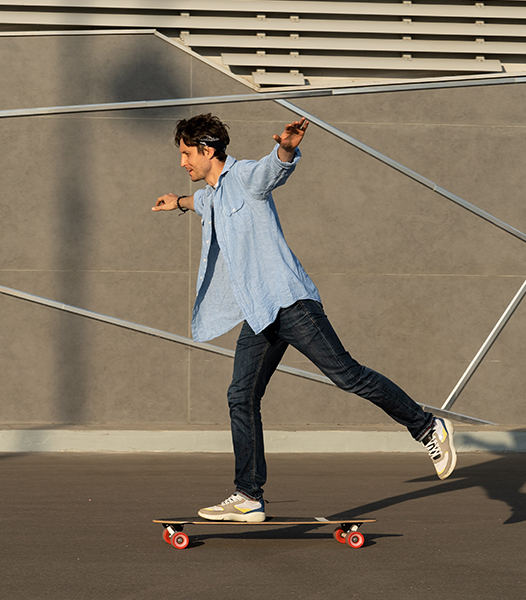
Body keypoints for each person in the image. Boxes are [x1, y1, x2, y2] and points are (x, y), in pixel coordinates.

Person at [153, 113, 456, 522]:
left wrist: (287, 149)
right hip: (260, 315)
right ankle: (248, 496)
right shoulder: (212, 194)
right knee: (240, 397)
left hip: (290, 303)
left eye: (187, 154)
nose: (183, 162)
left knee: (348, 375)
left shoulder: (245, 177)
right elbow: (200, 202)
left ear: (208, 151)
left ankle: (426, 427)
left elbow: (272, 170)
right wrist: (177, 202)